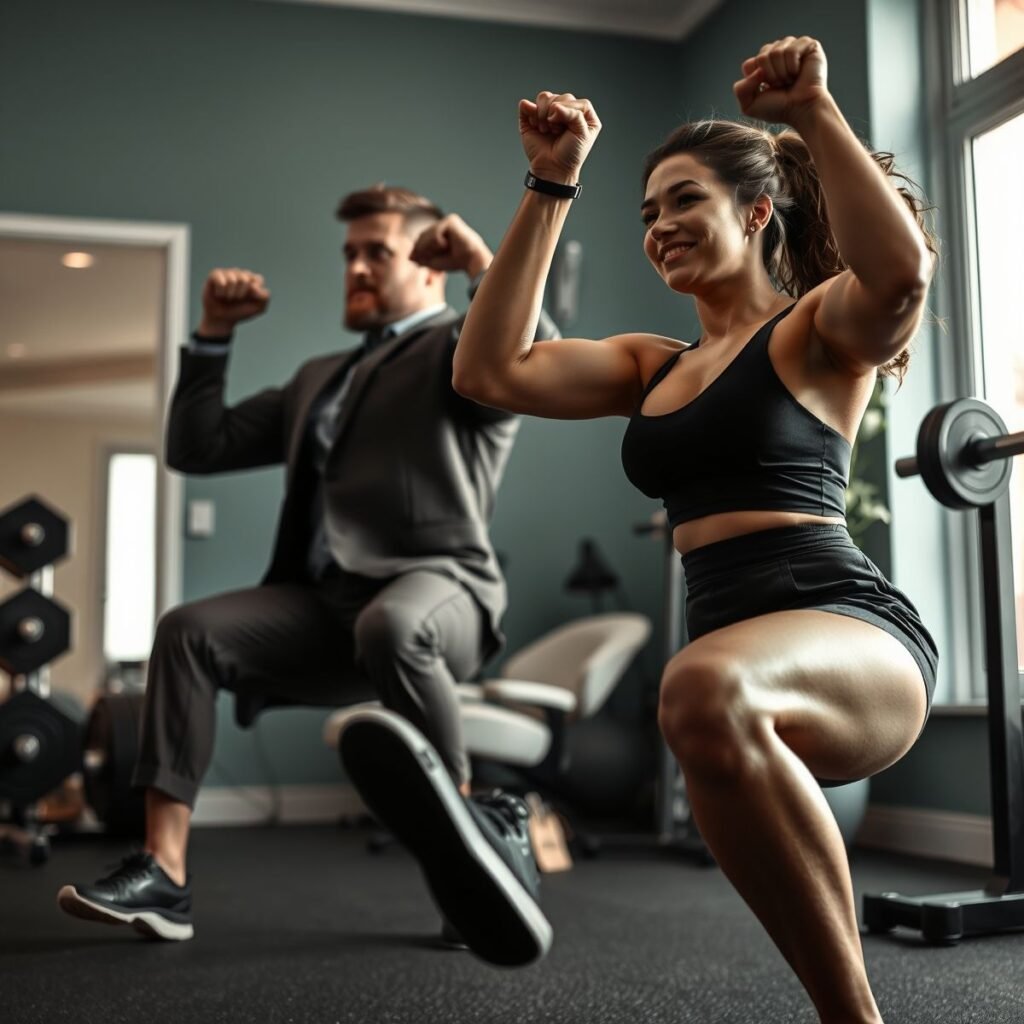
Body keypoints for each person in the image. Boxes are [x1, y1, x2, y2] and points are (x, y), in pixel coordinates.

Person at [450, 36, 938, 1023]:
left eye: (684, 201)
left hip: (853, 636)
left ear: (756, 212)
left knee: (699, 684)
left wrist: (814, 112)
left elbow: (899, 276)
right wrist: (551, 183)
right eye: (647, 213)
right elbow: (489, 371)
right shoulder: (651, 365)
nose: (660, 226)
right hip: (731, 660)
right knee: (705, 694)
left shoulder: (813, 330)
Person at [57, 185, 555, 964]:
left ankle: (477, 859)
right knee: (187, 632)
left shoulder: (464, 349)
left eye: (377, 252)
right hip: (327, 608)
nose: (355, 267)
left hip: (440, 589)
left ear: (428, 267)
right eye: (349, 254)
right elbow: (198, 447)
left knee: (393, 624)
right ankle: (164, 873)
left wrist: (482, 264)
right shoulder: (318, 377)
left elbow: (532, 356)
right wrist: (214, 334)